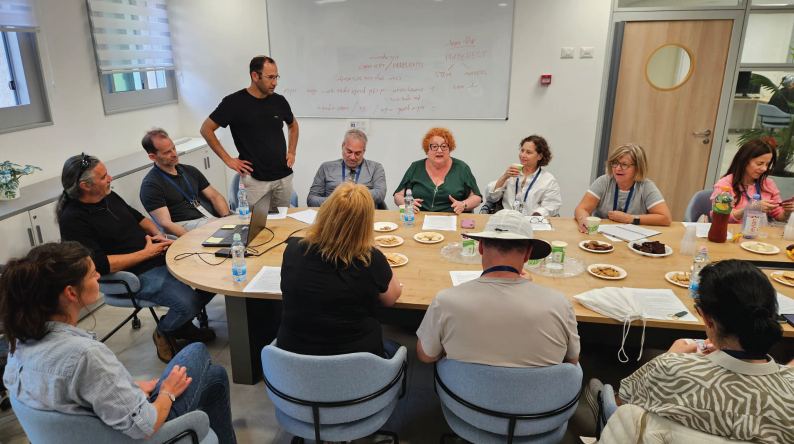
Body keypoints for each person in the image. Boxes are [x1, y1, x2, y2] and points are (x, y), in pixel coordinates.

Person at [0, 242, 237, 443]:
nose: (99, 277)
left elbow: (69, 391)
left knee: (215, 378)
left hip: (85, 434)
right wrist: (167, 393)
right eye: (93, 274)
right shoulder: (85, 355)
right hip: (144, 436)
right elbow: (145, 424)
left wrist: (129, 387)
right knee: (196, 351)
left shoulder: (19, 341)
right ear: (71, 293)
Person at [586, 260, 794, 443]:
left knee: (611, 397)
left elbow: (625, 400)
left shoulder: (670, 368)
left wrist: (670, 359)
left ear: (706, 317)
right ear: (773, 314)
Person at [56, 154, 216, 363]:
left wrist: (157, 235)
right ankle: (165, 330)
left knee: (213, 274)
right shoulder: (73, 219)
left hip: (156, 254)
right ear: (85, 186)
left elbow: (139, 218)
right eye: (104, 177)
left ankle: (182, 325)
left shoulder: (108, 196)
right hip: (133, 273)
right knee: (188, 303)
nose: (110, 179)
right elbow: (100, 265)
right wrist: (147, 253)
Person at [416, 209, 580, 367]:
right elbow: (572, 361)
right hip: (539, 395)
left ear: (480, 247)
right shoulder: (560, 304)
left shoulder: (445, 301)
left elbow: (425, 356)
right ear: (528, 253)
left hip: (464, 394)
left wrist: (448, 343)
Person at [277, 183, 402, 358]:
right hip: (356, 367)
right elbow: (391, 298)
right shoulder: (370, 259)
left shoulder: (293, 248)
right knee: (394, 348)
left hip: (293, 364)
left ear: (326, 211)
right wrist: (376, 249)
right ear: (365, 223)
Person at [200, 55, 299, 210]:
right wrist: (228, 160)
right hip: (255, 181)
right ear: (255, 76)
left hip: (283, 177)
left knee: (283, 224)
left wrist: (291, 151)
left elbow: (293, 125)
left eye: (276, 77)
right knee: (257, 228)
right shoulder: (233, 103)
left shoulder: (279, 101)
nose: (275, 82)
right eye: (270, 77)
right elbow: (206, 129)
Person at [139, 128, 231, 237]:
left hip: (207, 218)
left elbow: (215, 197)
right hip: (184, 225)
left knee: (240, 226)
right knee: (221, 230)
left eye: (173, 148)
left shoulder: (189, 170)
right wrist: (189, 239)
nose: (174, 154)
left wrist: (226, 218)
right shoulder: (151, 185)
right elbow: (166, 224)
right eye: (167, 152)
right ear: (153, 157)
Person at [574, 143, 671, 232]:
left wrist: (630, 218)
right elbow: (581, 209)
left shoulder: (646, 186)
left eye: (624, 164)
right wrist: (582, 219)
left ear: (638, 168)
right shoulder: (604, 181)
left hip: (633, 237)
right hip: (601, 235)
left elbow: (665, 218)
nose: (617, 168)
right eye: (615, 163)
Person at [393, 127, 482, 215]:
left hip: (452, 218)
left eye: (444, 146)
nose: (439, 150)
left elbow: (476, 197)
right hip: (419, 218)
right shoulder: (415, 167)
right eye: (434, 146)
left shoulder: (462, 168)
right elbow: (398, 195)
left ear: (449, 148)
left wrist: (463, 205)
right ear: (427, 149)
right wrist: (406, 203)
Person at [711, 138, 794, 223]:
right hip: (733, 234)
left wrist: (786, 213)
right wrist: (748, 209)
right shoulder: (725, 185)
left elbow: (778, 215)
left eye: (767, 164)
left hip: (759, 233)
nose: (764, 169)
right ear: (744, 160)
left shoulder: (767, 184)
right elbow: (719, 216)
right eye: (759, 163)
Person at [306, 129, 388, 208]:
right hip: (334, 214)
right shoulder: (326, 167)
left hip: (364, 215)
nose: (352, 157)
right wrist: (337, 201)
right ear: (342, 146)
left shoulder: (375, 168)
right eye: (349, 151)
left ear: (364, 151)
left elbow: (380, 194)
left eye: (357, 153)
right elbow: (312, 200)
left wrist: (349, 196)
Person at [484, 135, 562, 216]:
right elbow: (491, 197)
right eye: (522, 150)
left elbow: (552, 206)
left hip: (534, 222)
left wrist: (535, 217)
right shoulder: (511, 173)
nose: (523, 155)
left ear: (540, 156)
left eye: (528, 152)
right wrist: (504, 177)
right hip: (508, 221)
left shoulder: (548, 179)